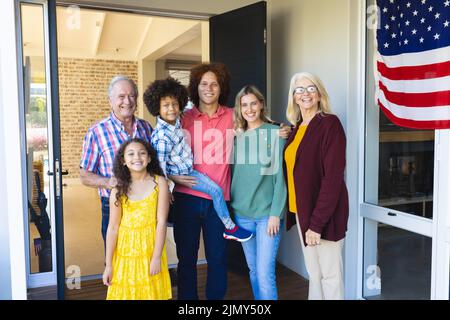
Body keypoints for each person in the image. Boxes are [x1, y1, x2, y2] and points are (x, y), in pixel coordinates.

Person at [143, 77, 253, 242]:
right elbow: (159, 165)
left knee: (216, 192)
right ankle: (230, 227)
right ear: (156, 108)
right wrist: (167, 186)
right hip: (186, 176)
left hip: (189, 171)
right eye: (165, 105)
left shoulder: (178, 122)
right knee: (216, 191)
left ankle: (227, 226)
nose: (171, 109)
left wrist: (277, 128)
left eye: (174, 104)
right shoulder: (161, 136)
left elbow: (253, 121)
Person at [283, 72, 349, 300]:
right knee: (315, 274)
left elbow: (333, 178)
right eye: (299, 90)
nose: (305, 94)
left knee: (331, 277)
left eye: (311, 88)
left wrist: (317, 224)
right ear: (293, 97)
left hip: (323, 216)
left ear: (320, 94)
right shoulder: (296, 129)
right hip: (303, 213)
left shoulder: (330, 124)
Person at [79, 75, 153, 243]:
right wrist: (108, 182)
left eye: (132, 95)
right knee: (117, 258)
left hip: (145, 203)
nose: (127, 101)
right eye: (121, 96)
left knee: (144, 255)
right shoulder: (96, 132)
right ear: (110, 101)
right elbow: (84, 175)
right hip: (114, 204)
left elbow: (155, 165)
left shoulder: (146, 128)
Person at [230, 85, 287, 300]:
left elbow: (279, 178)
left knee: (265, 274)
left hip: (266, 216)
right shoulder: (236, 137)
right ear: (239, 109)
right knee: (253, 271)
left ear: (261, 104)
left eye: (253, 103)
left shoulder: (275, 133)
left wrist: (275, 213)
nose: (249, 109)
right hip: (242, 214)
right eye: (244, 105)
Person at [102, 138, 172, 300]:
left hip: (150, 249)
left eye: (142, 153)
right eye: (131, 154)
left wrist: (156, 257)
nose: (137, 157)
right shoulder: (118, 189)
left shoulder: (159, 182)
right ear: (123, 160)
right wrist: (109, 265)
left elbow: (161, 222)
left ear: (149, 158)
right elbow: (112, 228)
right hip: (125, 252)